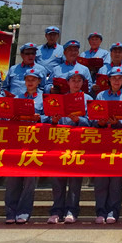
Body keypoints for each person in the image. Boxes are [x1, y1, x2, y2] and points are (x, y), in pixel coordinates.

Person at [47, 71, 91, 224]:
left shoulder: (88, 99)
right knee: (57, 180)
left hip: (77, 144)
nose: (76, 83)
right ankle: (56, 210)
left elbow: (92, 122)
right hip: (60, 142)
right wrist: (53, 120)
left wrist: (79, 120)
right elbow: (48, 119)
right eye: (73, 80)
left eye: (79, 80)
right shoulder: (60, 99)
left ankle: (72, 210)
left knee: (74, 181)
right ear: (68, 82)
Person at [92, 67, 122, 224]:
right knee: (101, 180)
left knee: (116, 181)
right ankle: (100, 211)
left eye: (120, 78)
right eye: (114, 78)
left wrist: (119, 123)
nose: (117, 81)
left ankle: (113, 211)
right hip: (103, 141)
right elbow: (93, 117)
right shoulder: (101, 95)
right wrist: (100, 122)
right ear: (108, 80)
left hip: (118, 140)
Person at [4, 68, 45, 224]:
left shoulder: (44, 98)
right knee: (13, 179)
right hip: (18, 142)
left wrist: (39, 116)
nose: (30, 82)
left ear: (39, 81)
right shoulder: (17, 97)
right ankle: (10, 211)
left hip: (34, 142)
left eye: (33, 80)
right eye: (28, 79)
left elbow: (50, 116)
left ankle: (24, 212)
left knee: (29, 181)